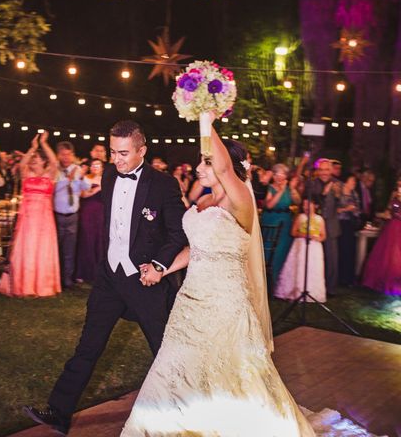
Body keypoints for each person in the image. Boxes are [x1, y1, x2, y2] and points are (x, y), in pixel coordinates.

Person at [121, 116, 373, 436]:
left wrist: (203, 116)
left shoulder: (241, 201)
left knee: (231, 371)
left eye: (207, 162)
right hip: (191, 302)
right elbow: (195, 248)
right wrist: (162, 269)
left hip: (226, 303)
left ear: (229, 167)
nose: (200, 168)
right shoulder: (204, 200)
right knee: (175, 365)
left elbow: (225, 170)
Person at [23, 120, 188, 434]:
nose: (117, 159)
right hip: (110, 277)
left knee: (164, 350)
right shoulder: (110, 174)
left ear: (142, 150)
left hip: (144, 279)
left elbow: (178, 232)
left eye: (124, 153)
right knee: (88, 346)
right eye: (113, 152)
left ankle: (186, 412)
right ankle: (59, 411)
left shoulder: (163, 184)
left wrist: (159, 266)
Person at [0, 132, 61, 297]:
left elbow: (54, 161)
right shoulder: (27, 174)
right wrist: (32, 148)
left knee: (43, 249)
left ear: (44, 161)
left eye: (37, 158)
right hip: (27, 220)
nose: (33, 160)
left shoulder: (50, 175)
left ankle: (42, 285)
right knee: (27, 248)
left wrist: (44, 144)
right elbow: (21, 164)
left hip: (44, 220)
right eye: (32, 158)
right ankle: (24, 285)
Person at [274, 198, 327, 303]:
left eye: (308, 204)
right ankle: (296, 291)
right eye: (304, 205)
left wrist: (317, 238)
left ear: (315, 206)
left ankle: (313, 293)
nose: (305, 207)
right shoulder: (301, 217)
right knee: (300, 267)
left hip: (315, 248)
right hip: (301, 245)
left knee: (312, 268)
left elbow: (323, 236)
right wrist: (305, 235)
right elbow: (293, 232)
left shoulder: (320, 219)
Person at [53, 141, 89, 288]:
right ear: (58, 155)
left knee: (70, 249)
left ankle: (68, 280)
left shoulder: (77, 169)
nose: (66, 157)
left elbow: (86, 187)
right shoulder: (55, 170)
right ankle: (56, 279)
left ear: (72, 155)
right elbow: (54, 189)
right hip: (57, 215)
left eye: (69, 154)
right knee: (56, 249)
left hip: (73, 215)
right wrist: (68, 179)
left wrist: (81, 177)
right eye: (63, 154)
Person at [260, 163, 301, 286]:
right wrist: (281, 190)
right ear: (273, 175)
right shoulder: (269, 188)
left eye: (282, 174)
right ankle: (266, 282)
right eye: (277, 174)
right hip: (270, 220)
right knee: (269, 250)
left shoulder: (289, 189)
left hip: (285, 222)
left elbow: (298, 201)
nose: (280, 177)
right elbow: (269, 205)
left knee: (282, 250)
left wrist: (292, 189)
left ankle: (279, 282)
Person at [362, 173, 401, 296]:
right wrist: (381, 215)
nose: (399, 185)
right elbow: (388, 211)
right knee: (387, 255)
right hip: (392, 226)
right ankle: (383, 282)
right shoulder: (394, 194)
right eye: (399, 183)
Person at [306, 158, 341, 295]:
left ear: (331, 170)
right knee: (315, 257)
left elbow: (340, 203)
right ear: (318, 171)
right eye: (321, 169)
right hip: (315, 226)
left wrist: (338, 195)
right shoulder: (312, 184)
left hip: (331, 226)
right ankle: (314, 286)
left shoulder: (338, 184)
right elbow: (311, 204)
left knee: (332, 259)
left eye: (327, 169)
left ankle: (330, 289)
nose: (324, 172)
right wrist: (324, 194)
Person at [73, 158, 105, 284]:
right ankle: (83, 272)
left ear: (102, 167)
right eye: (93, 165)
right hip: (87, 212)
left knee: (99, 240)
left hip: (101, 213)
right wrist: (98, 188)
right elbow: (83, 194)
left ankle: (98, 272)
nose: (95, 167)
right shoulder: (86, 178)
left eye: (98, 165)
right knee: (86, 240)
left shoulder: (107, 179)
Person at [337, 174, 361, 287]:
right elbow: (334, 210)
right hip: (340, 224)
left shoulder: (354, 194)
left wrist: (354, 210)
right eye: (352, 181)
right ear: (345, 182)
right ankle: (340, 278)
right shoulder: (339, 193)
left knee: (351, 250)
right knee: (342, 250)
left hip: (350, 224)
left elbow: (358, 210)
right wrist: (346, 209)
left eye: (355, 182)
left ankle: (349, 278)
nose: (354, 184)